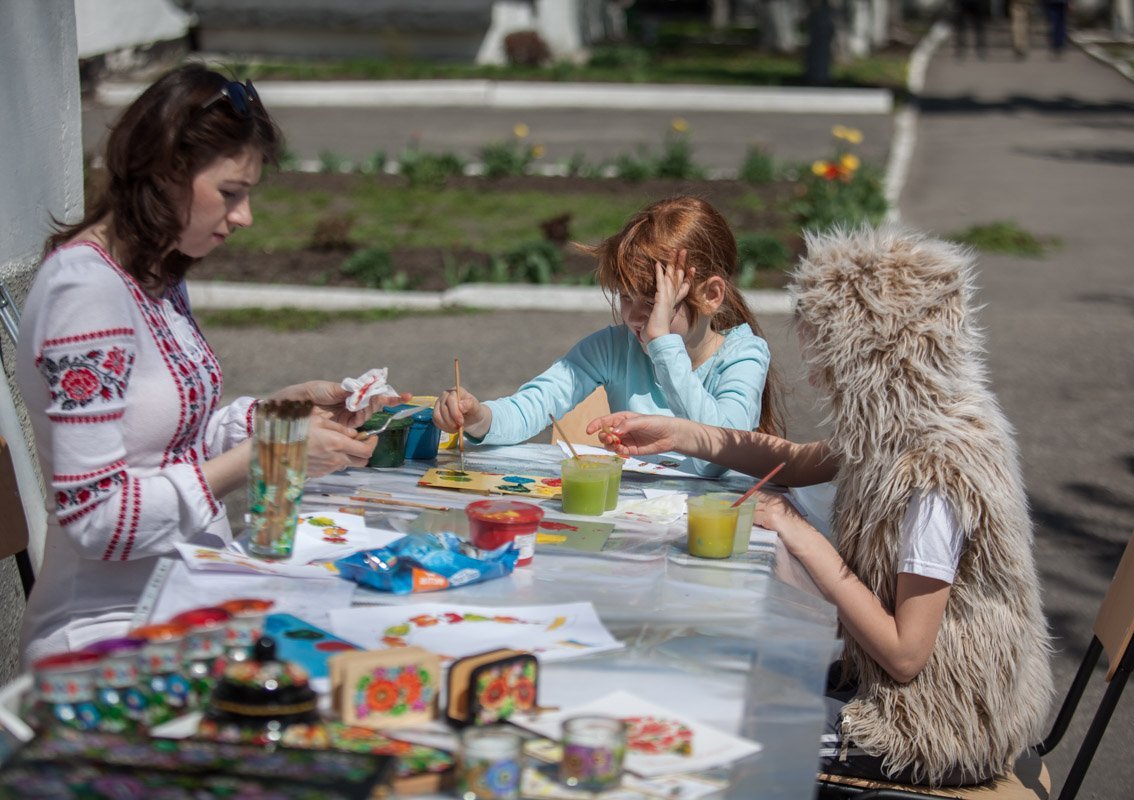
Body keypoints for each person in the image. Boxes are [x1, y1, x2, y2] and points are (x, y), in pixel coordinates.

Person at [588, 225, 1053, 786]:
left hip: (924, 724)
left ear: (875, 361)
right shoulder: (904, 429)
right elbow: (799, 460)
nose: (812, 376)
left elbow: (906, 655)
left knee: (702, 727)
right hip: (878, 682)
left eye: (827, 364)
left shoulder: (935, 478)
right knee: (723, 669)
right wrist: (682, 434)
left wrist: (799, 535)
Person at [16, 65, 394, 664]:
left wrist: (281, 418)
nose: (244, 216)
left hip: (186, 597)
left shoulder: (154, 274)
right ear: (167, 173)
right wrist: (267, 456)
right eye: (230, 192)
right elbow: (96, 519)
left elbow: (171, 443)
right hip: (110, 635)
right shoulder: (87, 295)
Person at [432, 195, 781, 476]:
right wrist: (479, 418)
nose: (637, 316)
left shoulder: (743, 355)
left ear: (710, 296)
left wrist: (664, 345)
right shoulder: (614, 347)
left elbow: (718, 457)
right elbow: (534, 406)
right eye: (627, 297)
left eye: (656, 302)